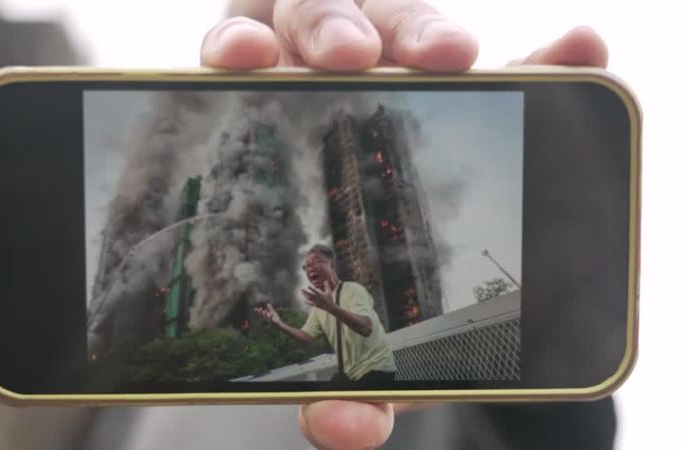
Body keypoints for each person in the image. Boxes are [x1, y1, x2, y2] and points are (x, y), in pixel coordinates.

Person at [201, 1, 610, 448]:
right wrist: (279, 322)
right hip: (345, 374)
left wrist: (556, 323)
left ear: (331, 268)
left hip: (385, 374)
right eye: (310, 270)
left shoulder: (354, 300)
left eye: (316, 267)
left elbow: (361, 324)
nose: (310, 274)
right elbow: (309, 334)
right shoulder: (120, 415)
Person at [255, 244, 397, 381]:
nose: (310, 269)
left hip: (377, 369)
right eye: (307, 266)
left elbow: (366, 328)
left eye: (316, 263)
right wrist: (281, 325)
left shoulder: (353, 290)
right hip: (351, 376)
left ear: (332, 265)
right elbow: (306, 337)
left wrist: (331, 307)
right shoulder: (319, 306)